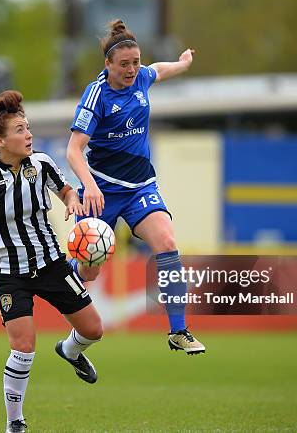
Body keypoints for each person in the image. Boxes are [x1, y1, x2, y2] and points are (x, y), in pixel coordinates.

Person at [0, 90, 103, 433]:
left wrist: (71, 201)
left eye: (28, 128)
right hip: (8, 273)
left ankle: (70, 351)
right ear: (0, 140)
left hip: (51, 263)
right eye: (20, 130)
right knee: (24, 346)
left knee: (93, 329)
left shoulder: (42, 164)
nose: (28, 135)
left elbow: (66, 190)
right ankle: (15, 422)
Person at [66, 19, 205, 355]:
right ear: (108, 65)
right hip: (100, 189)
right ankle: (65, 279)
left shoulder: (142, 77)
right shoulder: (96, 95)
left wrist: (184, 63)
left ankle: (178, 330)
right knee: (90, 271)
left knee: (167, 243)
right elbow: (73, 149)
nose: (132, 70)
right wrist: (89, 186)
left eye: (135, 62)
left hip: (140, 186)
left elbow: (159, 69)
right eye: (124, 64)